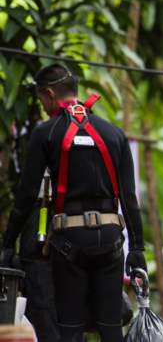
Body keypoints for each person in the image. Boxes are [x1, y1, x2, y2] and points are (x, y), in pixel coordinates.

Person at [0, 64, 146, 342]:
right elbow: (129, 198)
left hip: (69, 243)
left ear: (50, 93)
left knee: (70, 329)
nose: (43, 107)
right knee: (111, 329)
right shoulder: (114, 134)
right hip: (111, 243)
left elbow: (27, 194)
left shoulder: (47, 133)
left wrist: (9, 243)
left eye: (42, 100)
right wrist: (137, 250)